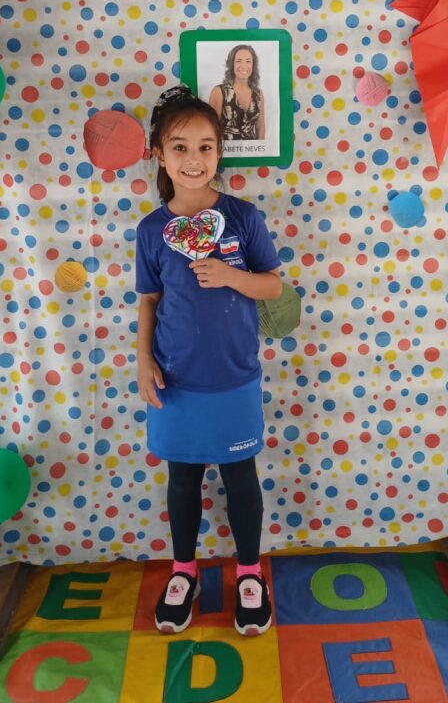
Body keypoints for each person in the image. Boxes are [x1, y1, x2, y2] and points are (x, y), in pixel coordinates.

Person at [135, 85, 282, 636]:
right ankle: (184, 572)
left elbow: (273, 286)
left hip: (234, 378)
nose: (193, 159)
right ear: (159, 155)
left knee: (241, 480)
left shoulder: (243, 217)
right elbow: (149, 302)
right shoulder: (151, 230)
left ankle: (249, 574)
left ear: (219, 153)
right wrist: (142, 360)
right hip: (175, 381)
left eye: (205, 147)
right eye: (180, 148)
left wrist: (230, 276)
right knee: (182, 480)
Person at [209, 44, 266, 141]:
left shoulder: (258, 94)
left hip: (251, 149)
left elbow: (260, 127)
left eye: (248, 61)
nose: (244, 66)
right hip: (224, 148)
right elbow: (211, 127)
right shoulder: (219, 91)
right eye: (238, 61)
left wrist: (259, 149)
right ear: (232, 65)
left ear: (253, 65)